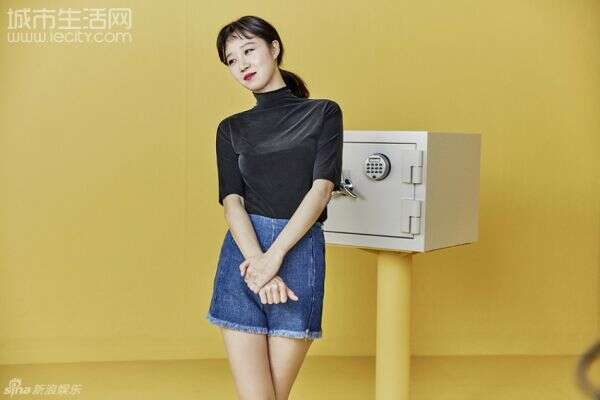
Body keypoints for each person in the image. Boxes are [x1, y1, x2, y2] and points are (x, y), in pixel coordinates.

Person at [206, 15, 343, 400]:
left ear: (274, 48)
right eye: (232, 60)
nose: (242, 65)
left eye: (249, 50)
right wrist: (258, 264)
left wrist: (274, 258)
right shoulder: (230, 128)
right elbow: (232, 201)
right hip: (243, 257)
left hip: (297, 253)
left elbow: (322, 189)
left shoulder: (323, 112)